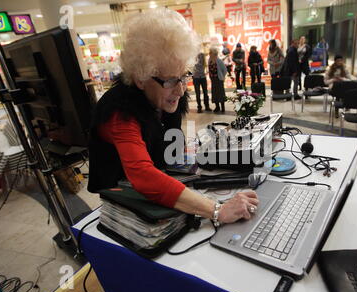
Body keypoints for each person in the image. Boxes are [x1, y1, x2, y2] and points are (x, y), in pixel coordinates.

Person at [88, 8, 258, 226]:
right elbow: (143, 176)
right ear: (141, 78)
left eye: (183, 77)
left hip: (160, 185)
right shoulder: (120, 113)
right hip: (121, 200)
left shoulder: (168, 95)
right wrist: (217, 210)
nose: (179, 91)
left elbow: (171, 151)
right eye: (169, 81)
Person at [208, 47, 227, 113]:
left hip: (219, 79)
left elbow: (224, 70)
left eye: (210, 53)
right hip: (213, 80)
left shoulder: (219, 61)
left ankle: (222, 108)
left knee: (221, 94)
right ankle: (217, 107)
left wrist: (223, 76)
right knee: (215, 94)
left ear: (214, 54)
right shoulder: (209, 60)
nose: (209, 54)